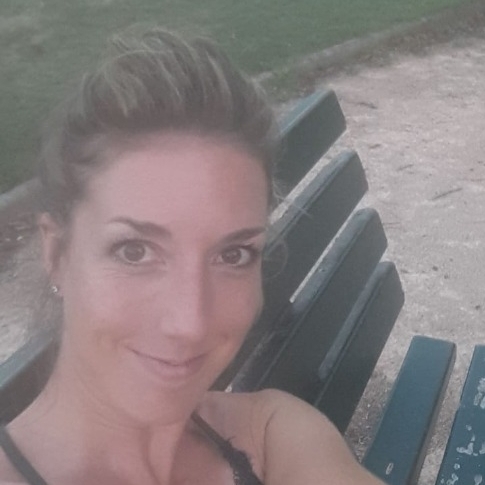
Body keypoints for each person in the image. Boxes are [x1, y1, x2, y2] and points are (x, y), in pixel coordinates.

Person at [0, 28, 383, 485]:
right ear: (56, 253)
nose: (191, 324)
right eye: (134, 251)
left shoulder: (274, 434)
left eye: (233, 254)